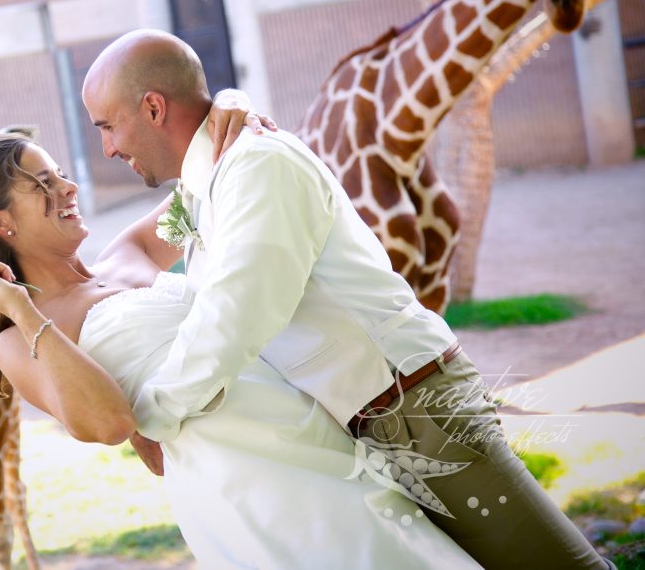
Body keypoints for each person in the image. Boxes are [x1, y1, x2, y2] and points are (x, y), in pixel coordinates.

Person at [79, 28, 611, 570]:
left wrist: (147, 418)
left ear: (152, 107)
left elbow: (233, 319)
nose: (107, 148)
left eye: (107, 126)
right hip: (374, 420)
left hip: (415, 409)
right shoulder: (206, 181)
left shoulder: (256, 167)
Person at [0, 131, 480, 569]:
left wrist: (227, 108)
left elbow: (216, 179)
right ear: (0, 221)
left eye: (60, 171)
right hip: (243, 483)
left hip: (314, 431)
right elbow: (107, 422)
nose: (68, 185)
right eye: (43, 182)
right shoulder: (20, 337)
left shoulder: (127, 254)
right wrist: (24, 311)